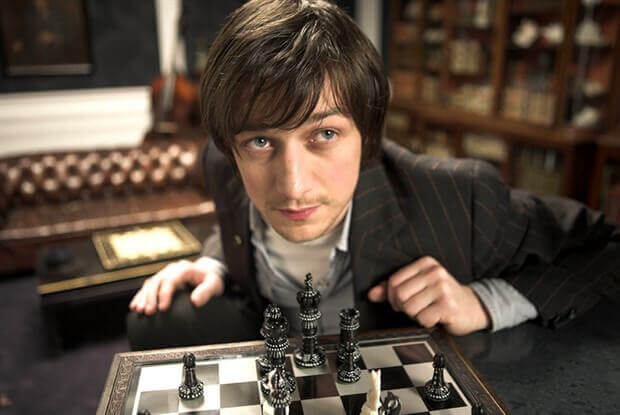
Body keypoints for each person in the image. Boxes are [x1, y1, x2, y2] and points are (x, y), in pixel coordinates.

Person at [127, 0, 619, 350]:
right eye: (260, 142)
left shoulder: (458, 197)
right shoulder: (222, 165)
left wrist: (486, 302)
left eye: (324, 134)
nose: (293, 186)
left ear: (367, 134)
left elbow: (606, 247)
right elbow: (238, 216)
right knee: (156, 322)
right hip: (274, 351)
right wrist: (215, 261)